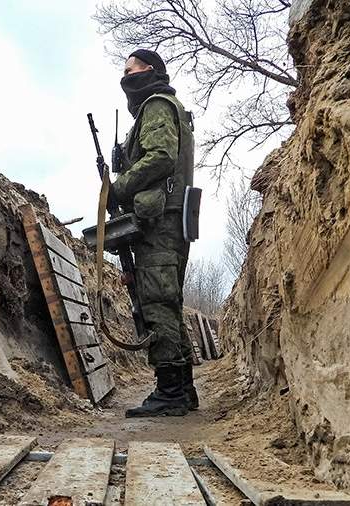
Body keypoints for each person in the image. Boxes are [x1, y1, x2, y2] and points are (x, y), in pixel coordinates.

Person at [112, 49, 197, 418]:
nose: (125, 76)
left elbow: (160, 156)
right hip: (170, 219)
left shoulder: (157, 104)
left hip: (161, 223)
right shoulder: (165, 107)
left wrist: (117, 188)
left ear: (149, 70)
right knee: (168, 301)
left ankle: (170, 393)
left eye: (130, 69)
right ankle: (183, 390)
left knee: (158, 302)